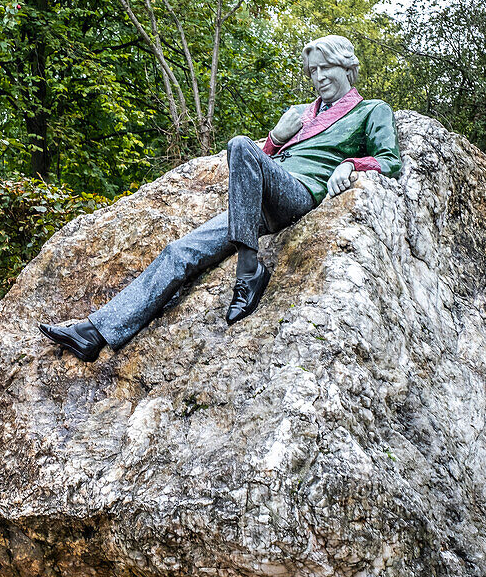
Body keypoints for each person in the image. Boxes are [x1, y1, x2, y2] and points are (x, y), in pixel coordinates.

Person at [39, 35, 402, 362]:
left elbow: (391, 161)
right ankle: (95, 333)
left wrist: (351, 164)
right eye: (313, 71)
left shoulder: (371, 110)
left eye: (327, 68)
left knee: (240, 144)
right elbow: (260, 160)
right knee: (179, 251)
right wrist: (277, 136)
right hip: (256, 203)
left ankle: (249, 272)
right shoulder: (301, 115)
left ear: (347, 66)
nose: (319, 76)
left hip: (299, 194)